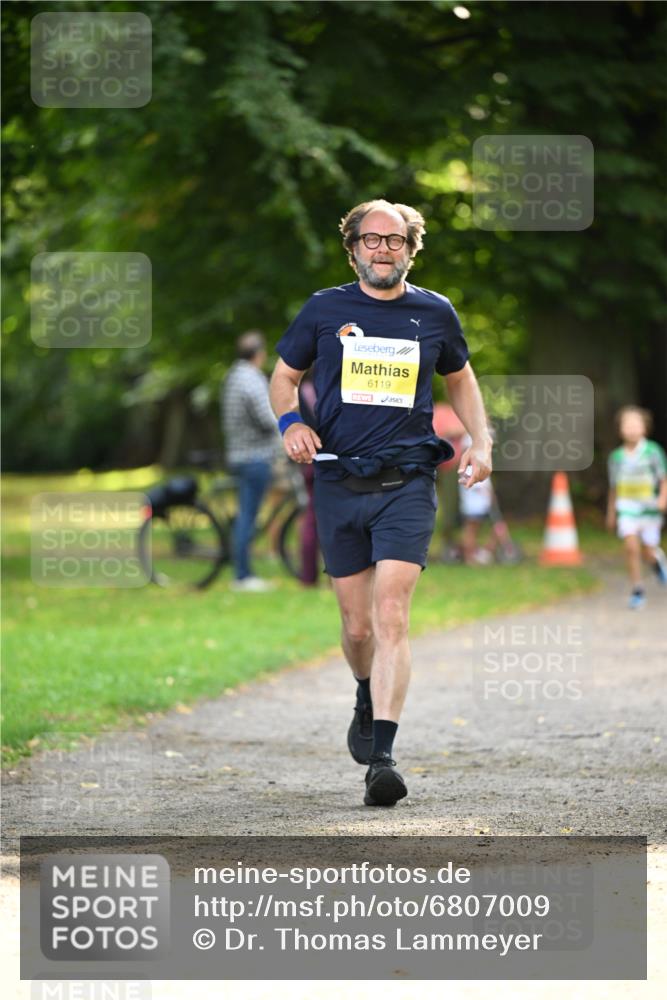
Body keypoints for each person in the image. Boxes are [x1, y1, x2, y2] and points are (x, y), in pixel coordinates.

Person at [269, 198, 492, 807]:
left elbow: (462, 377)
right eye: (372, 240)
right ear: (353, 249)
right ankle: (364, 692)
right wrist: (291, 423)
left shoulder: (434, 313)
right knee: (357, 624)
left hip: (408, 482)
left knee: (392, 614)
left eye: (395, 241)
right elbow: (283, 376)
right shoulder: (324, 309)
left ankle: (384, 760)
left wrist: (481, 438)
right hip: (340, 482)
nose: (383, 250)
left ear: (410, 250)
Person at [221, 330, 280, 592]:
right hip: (255, 456)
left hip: (238, 453)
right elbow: (267, 418)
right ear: (259, 353)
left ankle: (242, 572)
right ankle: (243, 575)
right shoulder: (251, 379)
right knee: (248, 516)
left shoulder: (233, 376)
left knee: (245, 514)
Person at [606, 405, 667, 609]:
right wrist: (611, 512)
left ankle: (656, 560)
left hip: (649, 509)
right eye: (627, 424)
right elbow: (613, 487)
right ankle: (638, 589)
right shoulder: (615, 458)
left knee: (647, 551)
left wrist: (662, 500)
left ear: (645, 427)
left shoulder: (653, 452)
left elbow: (663, 479)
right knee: (631, 546)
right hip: (627, 508)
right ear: (620, 429)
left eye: (635, 424)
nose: (631, 428)